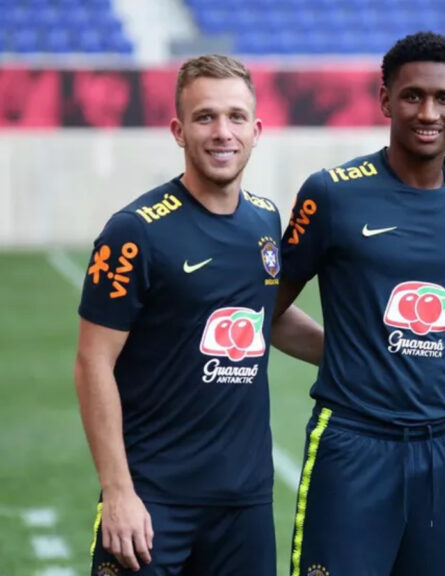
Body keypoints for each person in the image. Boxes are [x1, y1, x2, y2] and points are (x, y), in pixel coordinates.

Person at [275, 32, 445, 576]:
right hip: (351, 441)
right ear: (386, 100)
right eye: (412, 96)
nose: (428, 113)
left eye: (443, 98)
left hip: (441, 445)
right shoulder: (332, 194)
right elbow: (266, 309)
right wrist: (341, 354)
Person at [74, 54, 322, 575]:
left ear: (256, 131)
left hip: (245, 503)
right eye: (205, 117)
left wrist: (351, 352)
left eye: (235, 117)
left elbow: (266, 316)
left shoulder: (264, 220)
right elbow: (93, 362)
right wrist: (118, 492)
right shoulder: (136, 231)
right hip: (154, 500)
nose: (222, 132)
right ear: (178, 130)